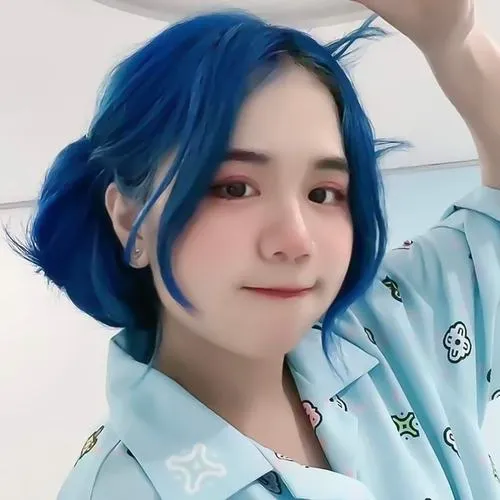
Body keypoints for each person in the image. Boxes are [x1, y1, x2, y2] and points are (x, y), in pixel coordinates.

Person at [8, 0, 500, 498]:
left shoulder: (389, 329)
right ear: (130, 220)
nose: (296, 241)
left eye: (323, 193)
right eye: (234, 188)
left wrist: (456, 48)